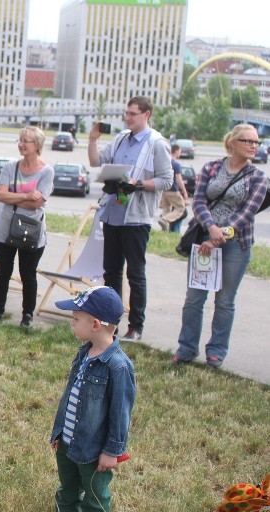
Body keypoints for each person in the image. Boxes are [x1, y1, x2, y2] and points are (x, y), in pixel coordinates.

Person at [41, 286, 135, 512]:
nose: (71, 323)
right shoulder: (84, 354)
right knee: (66, 492)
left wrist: (112, 451)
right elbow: (69, 397)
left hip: (94, 451)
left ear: (95, 324)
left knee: (95, 498)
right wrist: (59, 432)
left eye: (75, 319)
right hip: (69, 443)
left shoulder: (117, 366)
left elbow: (121, 414)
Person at [173, 124, 268, 369]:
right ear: (233, 143)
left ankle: (215, 352)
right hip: (203, 240)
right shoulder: (211, 168)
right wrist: (211, 228)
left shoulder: (258, 177)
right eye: (248, 141)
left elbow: (247, 213)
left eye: (256, 143)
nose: (253, 146)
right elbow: (200, 201)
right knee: (194, 298)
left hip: (236, 244)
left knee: (225, 301)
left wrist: (219, 235)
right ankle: (186, 348)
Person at [88, 95, 173, 341]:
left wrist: (138, 184)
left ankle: (136, 325)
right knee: (111, 271)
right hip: (114, 212)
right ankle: (110, 320)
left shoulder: (156, 143)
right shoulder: (120, 139)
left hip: (136, 217)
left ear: (146, 115)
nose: (127, 117)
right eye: (126, 113)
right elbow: (95, 161)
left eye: (132, 114)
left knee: (135, 273)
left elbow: (166, 180)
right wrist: (93, 139)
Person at [0, 126, 53, 327]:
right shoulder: (10, 167)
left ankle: (27, 315)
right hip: (5, 229)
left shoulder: (46, 171)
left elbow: (38, 203)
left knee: (28, 273)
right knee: (3, 271)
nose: (22, 144)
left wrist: (13, 198)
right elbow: (1, 195)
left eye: (26, 141)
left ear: (38, 145)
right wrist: (26, 196)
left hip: (32, 231)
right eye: (20, 140)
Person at [158, 144, 190, 232]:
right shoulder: (176, 164)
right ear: (176, 151)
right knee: (181, 208)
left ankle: (163, 231)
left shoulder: (165, 162)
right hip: (173, 189)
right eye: (180, 151)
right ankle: (164, 219)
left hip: (164, 189)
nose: (180, 153)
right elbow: (179, 179)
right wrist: (184, 192)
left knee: (166, 209)